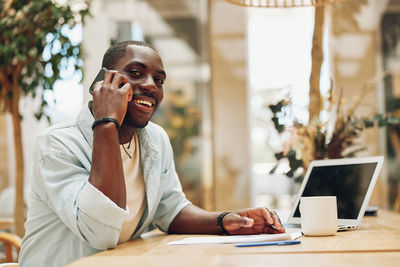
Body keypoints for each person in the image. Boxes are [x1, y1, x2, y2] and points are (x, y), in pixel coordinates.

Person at [19, 40, 285, 267]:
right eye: (135, 73)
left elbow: (170, 209)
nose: (152, 87)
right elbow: (99, 232)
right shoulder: (57, 144)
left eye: (159, 80)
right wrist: (106, 121)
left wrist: (225, 221)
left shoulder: (155, 139)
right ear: (103, 81)